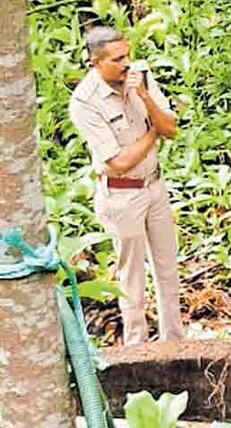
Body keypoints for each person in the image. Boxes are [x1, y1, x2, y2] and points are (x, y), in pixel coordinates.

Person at [69, 26, 185, 345]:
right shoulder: (85, 102)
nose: (126, 63)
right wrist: (152, 135)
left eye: (128, 55)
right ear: (95, 62)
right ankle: (137, 346)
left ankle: (175, 342)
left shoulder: (140, 77)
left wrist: (144, 96)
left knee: (167, 267)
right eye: (118, 59)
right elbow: (119, 161)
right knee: (131, 276)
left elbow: (171, 128)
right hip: (121, 193)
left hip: (154, 186)